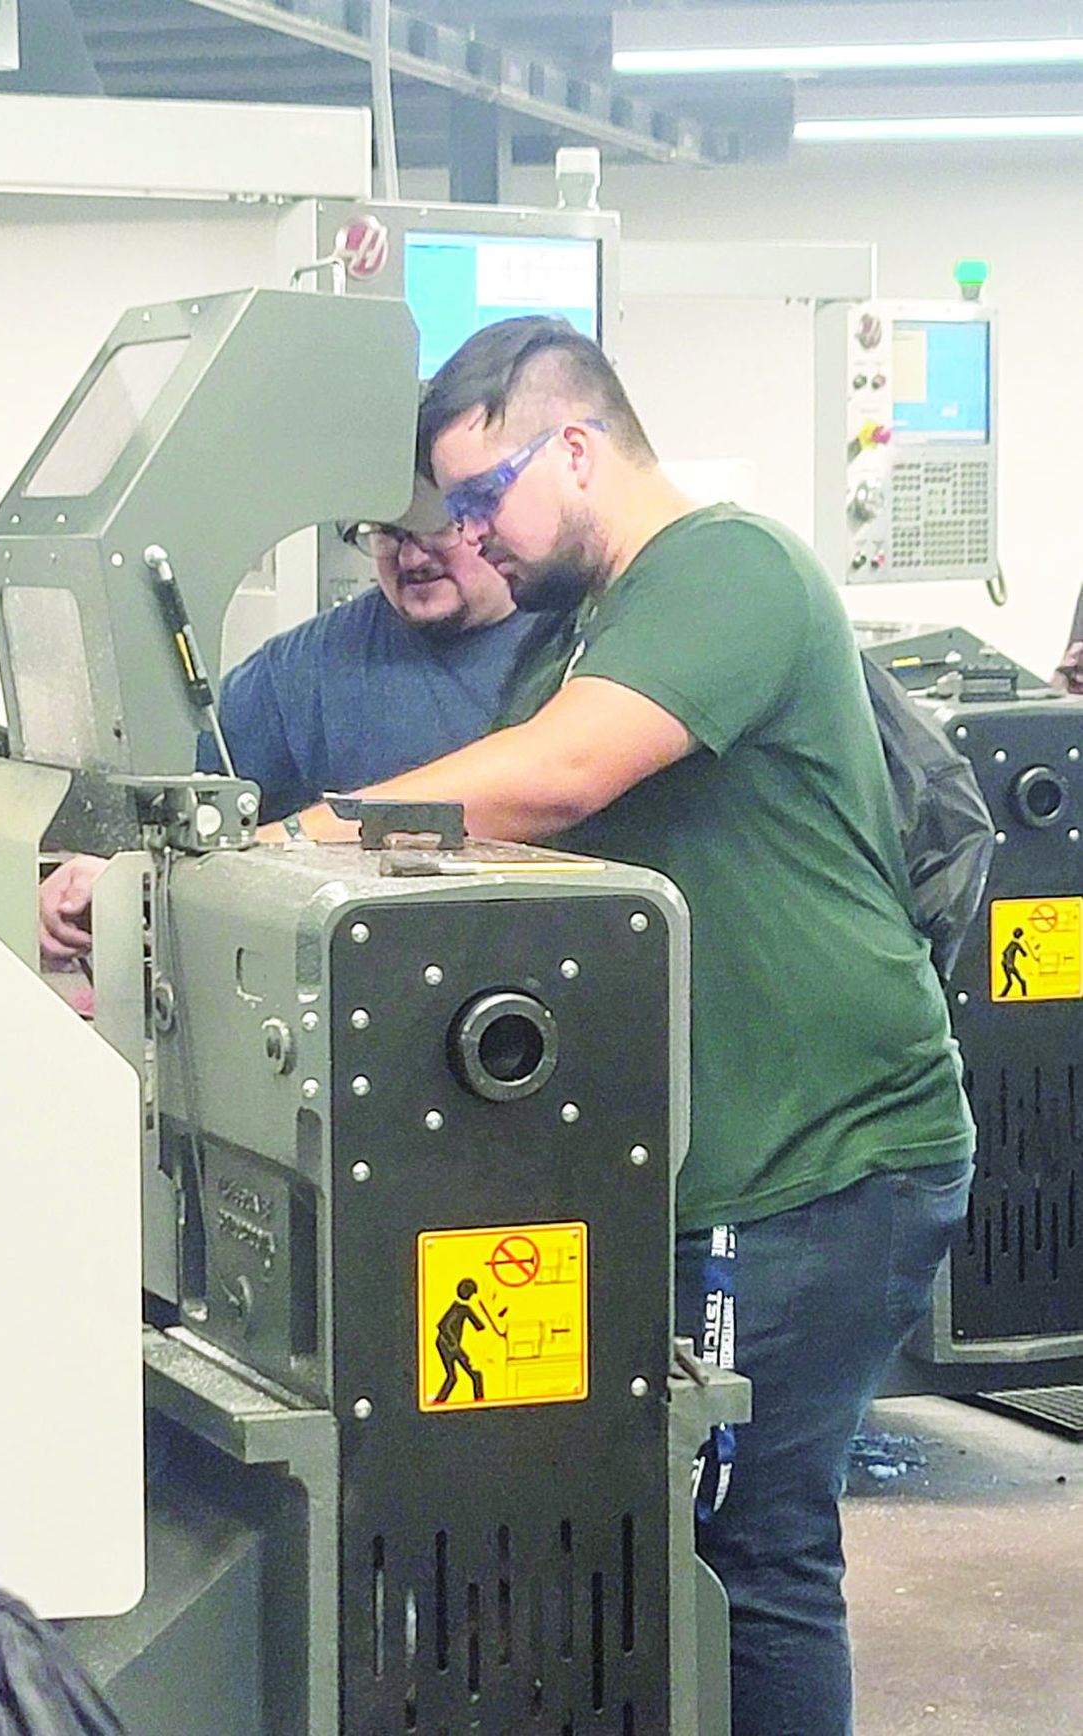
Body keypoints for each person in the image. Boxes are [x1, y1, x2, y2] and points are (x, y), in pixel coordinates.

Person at [269, 317, 976, 1736]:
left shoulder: (730, 566)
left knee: (747, 1552)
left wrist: (303, 830)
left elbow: (555, 779)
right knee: (652, 1545)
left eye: (481, 501)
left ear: (577, 448)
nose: (469, 539)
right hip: (707, 1176)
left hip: (823, 1169)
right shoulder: (581, 634)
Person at [40, 475, 565, 961]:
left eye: (434, 529)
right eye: (384, 533)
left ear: (484, 522)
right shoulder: (307, 667)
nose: (409, 555)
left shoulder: (571, 652)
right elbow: (175, 795)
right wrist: (108, 876)